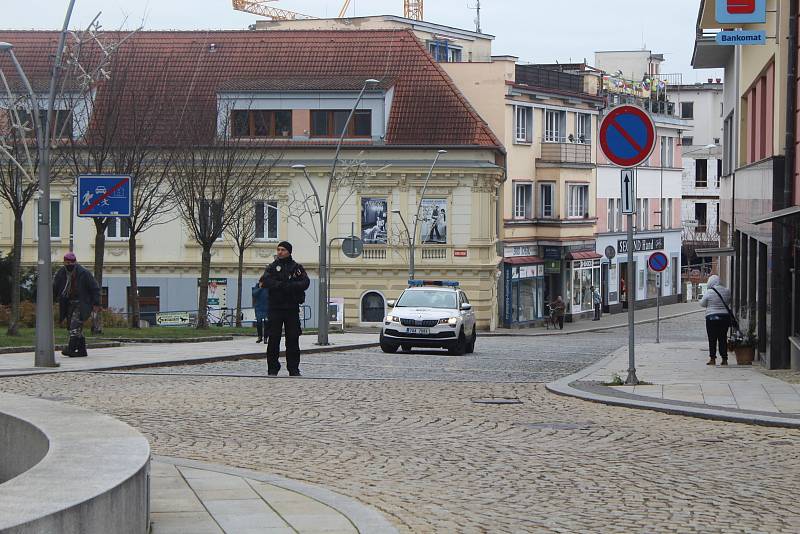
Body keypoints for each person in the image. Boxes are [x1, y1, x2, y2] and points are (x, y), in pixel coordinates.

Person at [263, 241, 310, 376]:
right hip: (275, 308)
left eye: (283, 250)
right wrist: (280, 285)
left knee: (293, 339)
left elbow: (305, 282)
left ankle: (293, 368)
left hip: (291, 308)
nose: (280, 252)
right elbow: (265, 281)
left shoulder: (296, 268)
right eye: (278, 249)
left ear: (289, 251)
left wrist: (291, 286)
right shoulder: (272, 267)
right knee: (273, 339)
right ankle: (272, 368)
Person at [52, 252, 100, 358]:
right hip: (69, 302)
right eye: (66, 262)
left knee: (75, 325)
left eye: (70, 263)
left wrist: (96, 303)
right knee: (73, 327)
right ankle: (82, 350)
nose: (68, 265)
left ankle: (71, 348)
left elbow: (94, 288)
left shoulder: (84, 273)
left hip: (82, 303)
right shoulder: (61, 273)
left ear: (75, 262)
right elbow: (55, 287)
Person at [700, 275, 732, 366]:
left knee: (712, 338)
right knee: (723, 338)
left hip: (711, 317)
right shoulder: (727, 291)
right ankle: (724, 359)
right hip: (724, 317)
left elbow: (702, 303)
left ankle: (712, 359)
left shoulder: (709, 292)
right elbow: (729, 301)